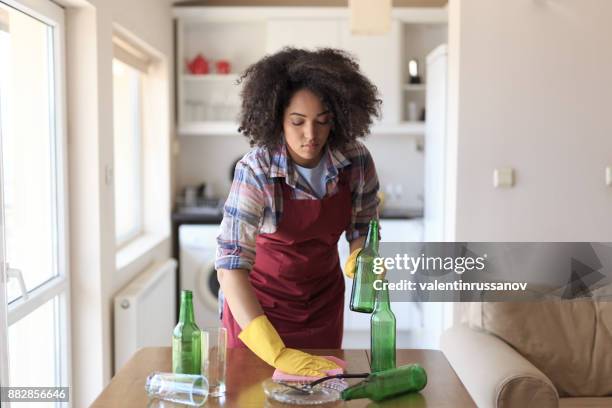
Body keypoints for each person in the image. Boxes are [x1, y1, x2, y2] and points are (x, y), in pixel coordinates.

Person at [215, 47, 381, 377]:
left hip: (321, 306)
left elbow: (363, 229)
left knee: (323, 394)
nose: (311, 135)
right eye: (297, 122)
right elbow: (230, 266)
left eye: (323, 122)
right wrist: (274, 350)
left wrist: (363, 258)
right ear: (277, 117)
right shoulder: (257, 169)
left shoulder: (356, 160)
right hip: (259, 312)